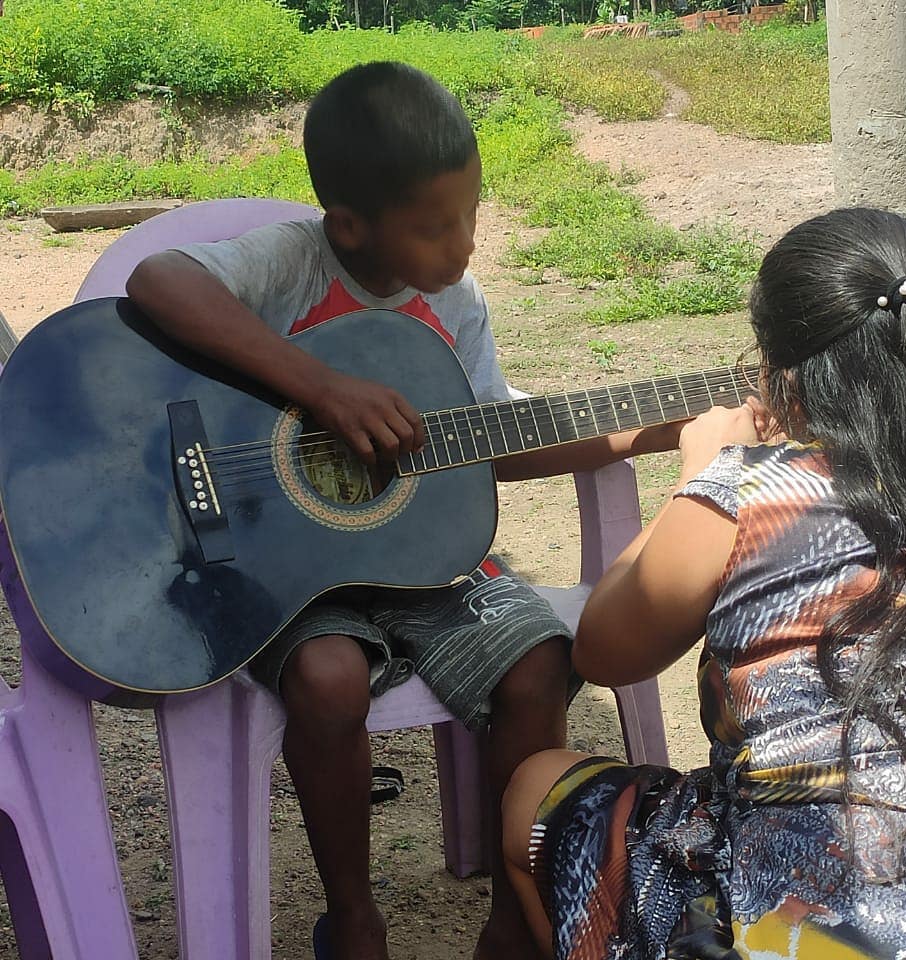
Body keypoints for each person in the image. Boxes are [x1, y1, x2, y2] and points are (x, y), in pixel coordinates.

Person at [126, 61, 681, 960]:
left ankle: (517, 911)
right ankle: (353, 915)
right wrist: (323, 389)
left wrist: (645, 432)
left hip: (427, 556)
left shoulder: (454, 301)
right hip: (291, 570)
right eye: (435, 228)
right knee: (329, 680)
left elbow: (491, 437)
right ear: (351, 225)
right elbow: (157, 281)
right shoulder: (290, 263)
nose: (463, 246)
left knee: (541, 661)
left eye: (470, 216)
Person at [501, 206, 906, 959]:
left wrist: (702, 479)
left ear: (783, 373)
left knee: (538, 790)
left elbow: (604, 653)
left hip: (799, 926)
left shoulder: (753, 495)